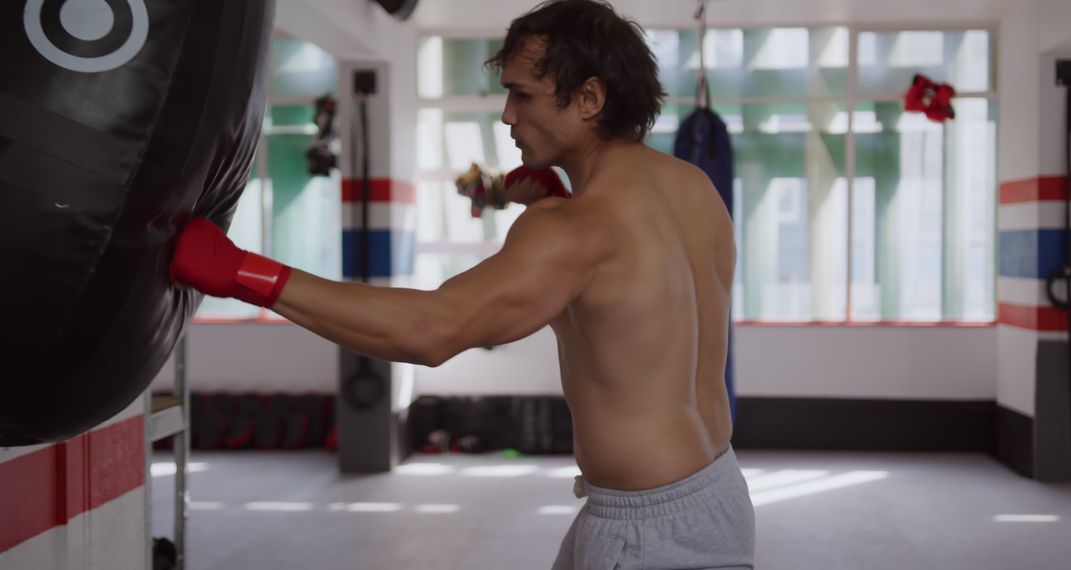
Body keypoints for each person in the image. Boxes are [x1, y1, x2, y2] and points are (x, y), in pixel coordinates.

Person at [170, 1, 755, 568]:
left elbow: (431, 330)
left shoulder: (574, 231)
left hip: (641, 531)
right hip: (717, 491)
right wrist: (525, 196)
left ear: (590, 98)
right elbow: (626, 294)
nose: (506, 115)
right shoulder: (694, 189)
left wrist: (244, 273)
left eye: (521, 94)